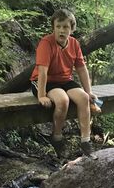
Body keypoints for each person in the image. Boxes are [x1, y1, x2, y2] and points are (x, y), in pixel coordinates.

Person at [30, 8, 100, 157]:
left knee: (84, 98)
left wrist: (89, 91)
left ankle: (85, 141)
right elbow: (42, 71)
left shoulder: (74, 44)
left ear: (72, 29)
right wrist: (41, 96)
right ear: (53, 28)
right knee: (62, 100)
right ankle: (57, 137)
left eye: (66, 27)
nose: (61, 30)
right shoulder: (46, 43)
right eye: (58, 27)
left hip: (64, 80)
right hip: (43, 81)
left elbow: (81, 69)